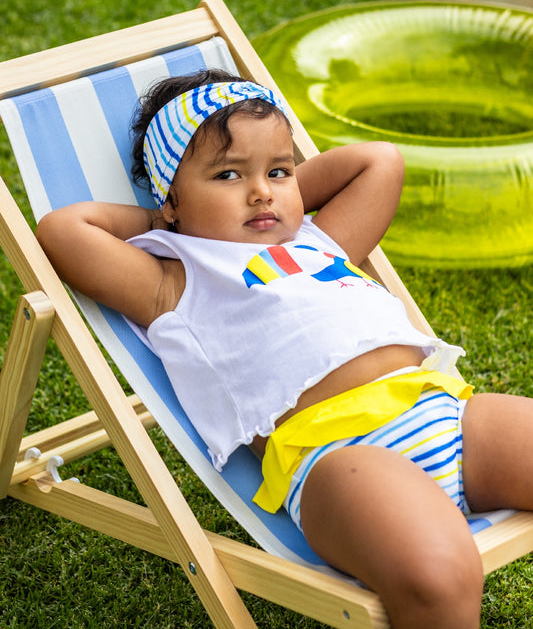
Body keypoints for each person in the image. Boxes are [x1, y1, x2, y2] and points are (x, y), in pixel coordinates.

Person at [36, 69, 533, 629]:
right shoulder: (172, 282)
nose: (261, 191)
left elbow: (380, 160)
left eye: (278, 171)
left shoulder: (321, 242)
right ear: (172, 197)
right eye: (227, 175)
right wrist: (160, 221)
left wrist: (280, 184)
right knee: (438, 576)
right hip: (340, 456)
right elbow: (62, 229)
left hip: (447, 412)